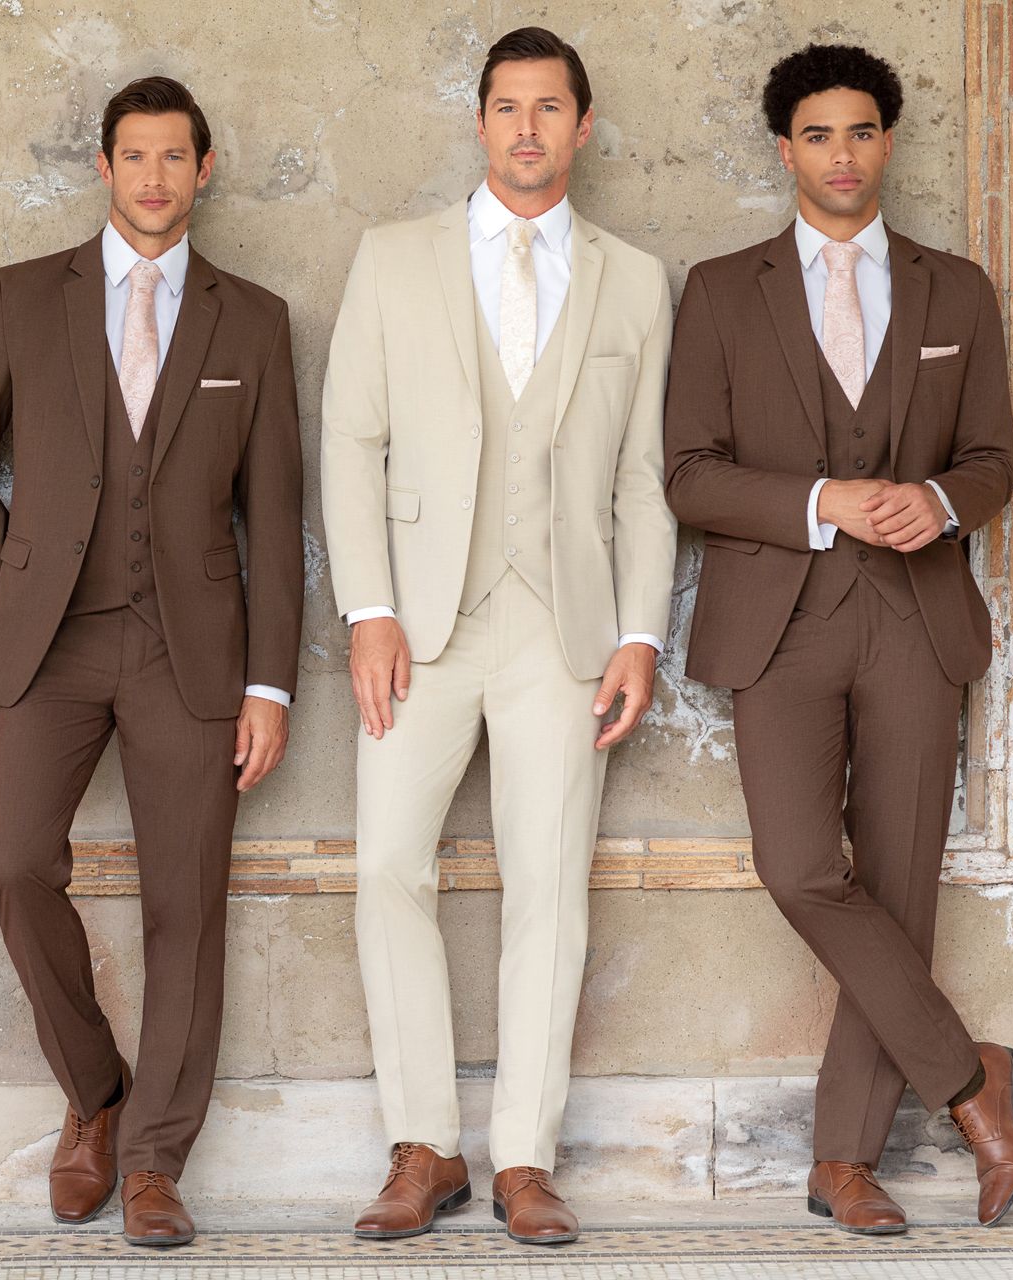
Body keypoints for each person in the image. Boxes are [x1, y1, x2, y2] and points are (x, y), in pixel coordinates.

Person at [0, 75, 304, 1248]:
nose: (152, 179)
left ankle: (153, 1161)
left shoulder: (254, 320)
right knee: (19, 862)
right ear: (104, 167)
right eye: (133, 157)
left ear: (205, 168)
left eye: (173, 158)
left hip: (192, 653)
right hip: (56, 648)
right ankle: (94, 1093)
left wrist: (271, 684)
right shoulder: (27, 297)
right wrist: (24, 585)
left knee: (186, 904)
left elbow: (277, 521)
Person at [319, 26, 677, 1246]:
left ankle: (525, 1154)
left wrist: (638, 631)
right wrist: (367, 608)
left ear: (583, 126)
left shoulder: (636, 281)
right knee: (386, 870)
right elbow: (350, 440)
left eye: (550, 108)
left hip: (563, 629)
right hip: (418, 625)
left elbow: (641, 478)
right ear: (480, 125)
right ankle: (425, 1144)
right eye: (507, 107)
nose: (527, 128)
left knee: (550, 889)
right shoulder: (394, 258)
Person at [662, 42, 1013, 1234]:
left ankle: (844, 1159)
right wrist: (823, 499)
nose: (842, 154)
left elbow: (992, 461)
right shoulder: (722, 289)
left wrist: (945, 502)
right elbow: (689, 475)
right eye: (818, 134)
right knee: (803, 868)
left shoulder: (955, 288)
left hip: (918, 617)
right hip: (784, 622)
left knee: (902, 884)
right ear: (785, 149)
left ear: (887, 142)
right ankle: (972, 1078)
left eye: (862, 132)